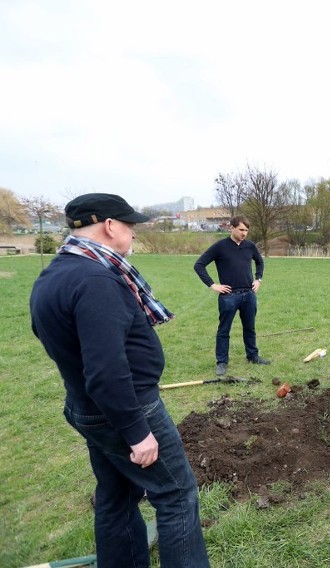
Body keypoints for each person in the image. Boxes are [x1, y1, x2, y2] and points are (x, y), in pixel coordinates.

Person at [30, 193, 209, 568]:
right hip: (126, 408)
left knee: (116, 494)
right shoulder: (96, 280)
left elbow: (50, 338)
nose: (133, 234)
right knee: (176, 495)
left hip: (87, 406)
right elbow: (106, 370)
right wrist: (136, 431)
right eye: (129, 226)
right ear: (110, 226)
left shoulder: (55, 274)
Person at [194, 215, 269, 377]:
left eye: (246, 230)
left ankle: (253, 356)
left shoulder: (250, 246)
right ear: (232, 228)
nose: (244, 233)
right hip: (229, 296)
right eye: (241, 230)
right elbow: (199, 265)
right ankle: (222, 362)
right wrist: (213, 285)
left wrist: (258, 279)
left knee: (250, 328)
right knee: (224, 330)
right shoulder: (220, 247)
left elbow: (260, 262)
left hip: (249, 294)